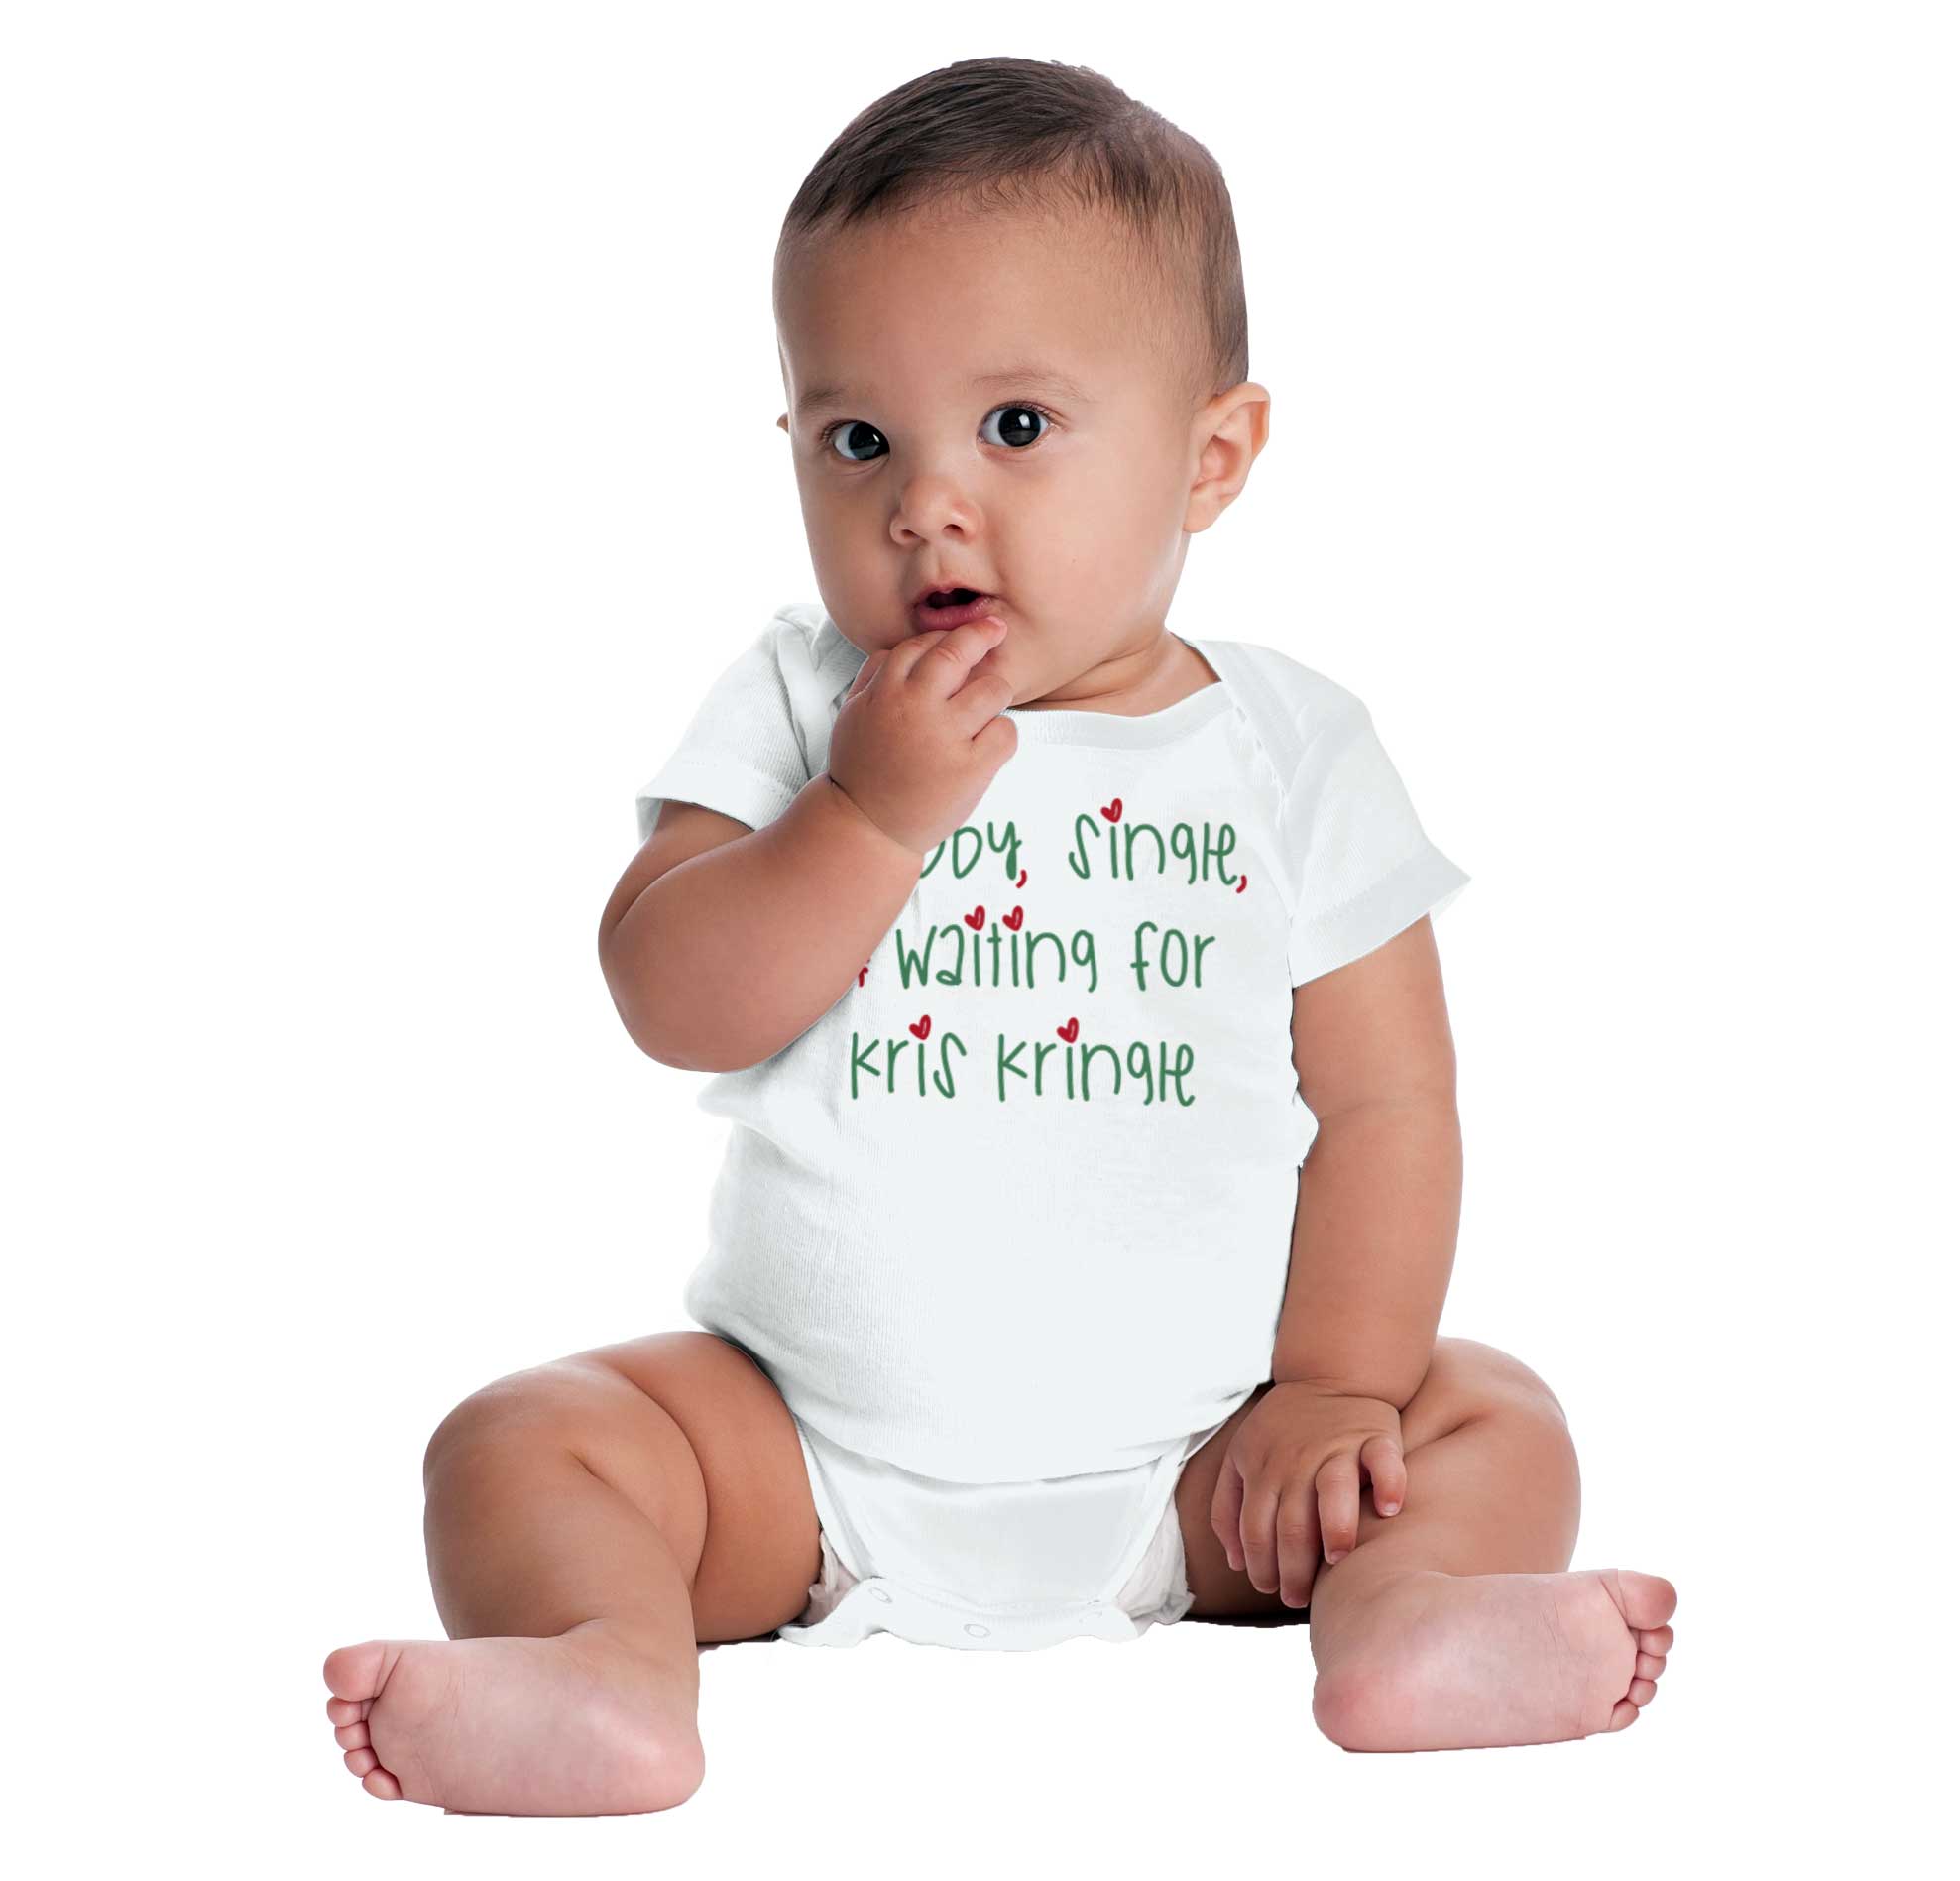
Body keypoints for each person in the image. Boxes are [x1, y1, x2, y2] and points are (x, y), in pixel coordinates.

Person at [322, 55, 1675, 1815]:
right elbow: (673, 997)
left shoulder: (1286, 746)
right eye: (857, 440)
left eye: (1015, 428)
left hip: (1212, 1466)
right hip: (798, 1458)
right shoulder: (801, 705)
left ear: (1209, 456)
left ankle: (1407, 1619)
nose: (923, 503)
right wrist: (864, 817)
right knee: (519, 1440)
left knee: (1486, 1411)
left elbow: (1386, 1105)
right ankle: (605, 1668)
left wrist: (1333, 1390)